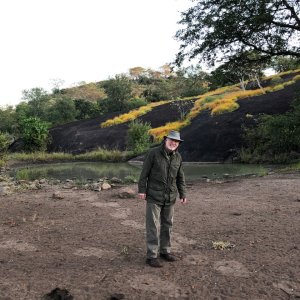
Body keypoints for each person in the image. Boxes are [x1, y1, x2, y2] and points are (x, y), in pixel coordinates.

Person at [138, 130, 187, 268]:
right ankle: (152, 256)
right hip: (154, 196)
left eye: (176, 142)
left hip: (170, 197)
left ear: (178, 144)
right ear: (165, 140)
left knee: (167, 225)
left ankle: (165, 251)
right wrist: (142, 190)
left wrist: (183, 194)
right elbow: (144, 174)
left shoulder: (178, 157)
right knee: (152, 226)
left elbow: (180, 177)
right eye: (171, 140)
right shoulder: (153, 153)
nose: (173, 143)